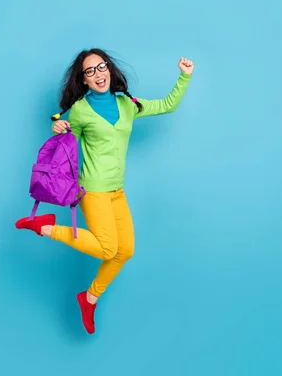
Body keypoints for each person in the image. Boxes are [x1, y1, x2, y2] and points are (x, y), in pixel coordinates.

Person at [16, 48, 194, 334]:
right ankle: (45, 227)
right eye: (90, 71)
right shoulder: (81, 110)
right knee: (108, 248)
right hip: (92, 190)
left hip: (117, 190)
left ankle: (89, 298)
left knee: (125, 251)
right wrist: (57, 125)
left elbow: (167, 105)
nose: (98, 74)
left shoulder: (128, 105)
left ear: (109, 69)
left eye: (101, 67)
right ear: (83, 80)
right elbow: (61, 130)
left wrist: (184, 77)